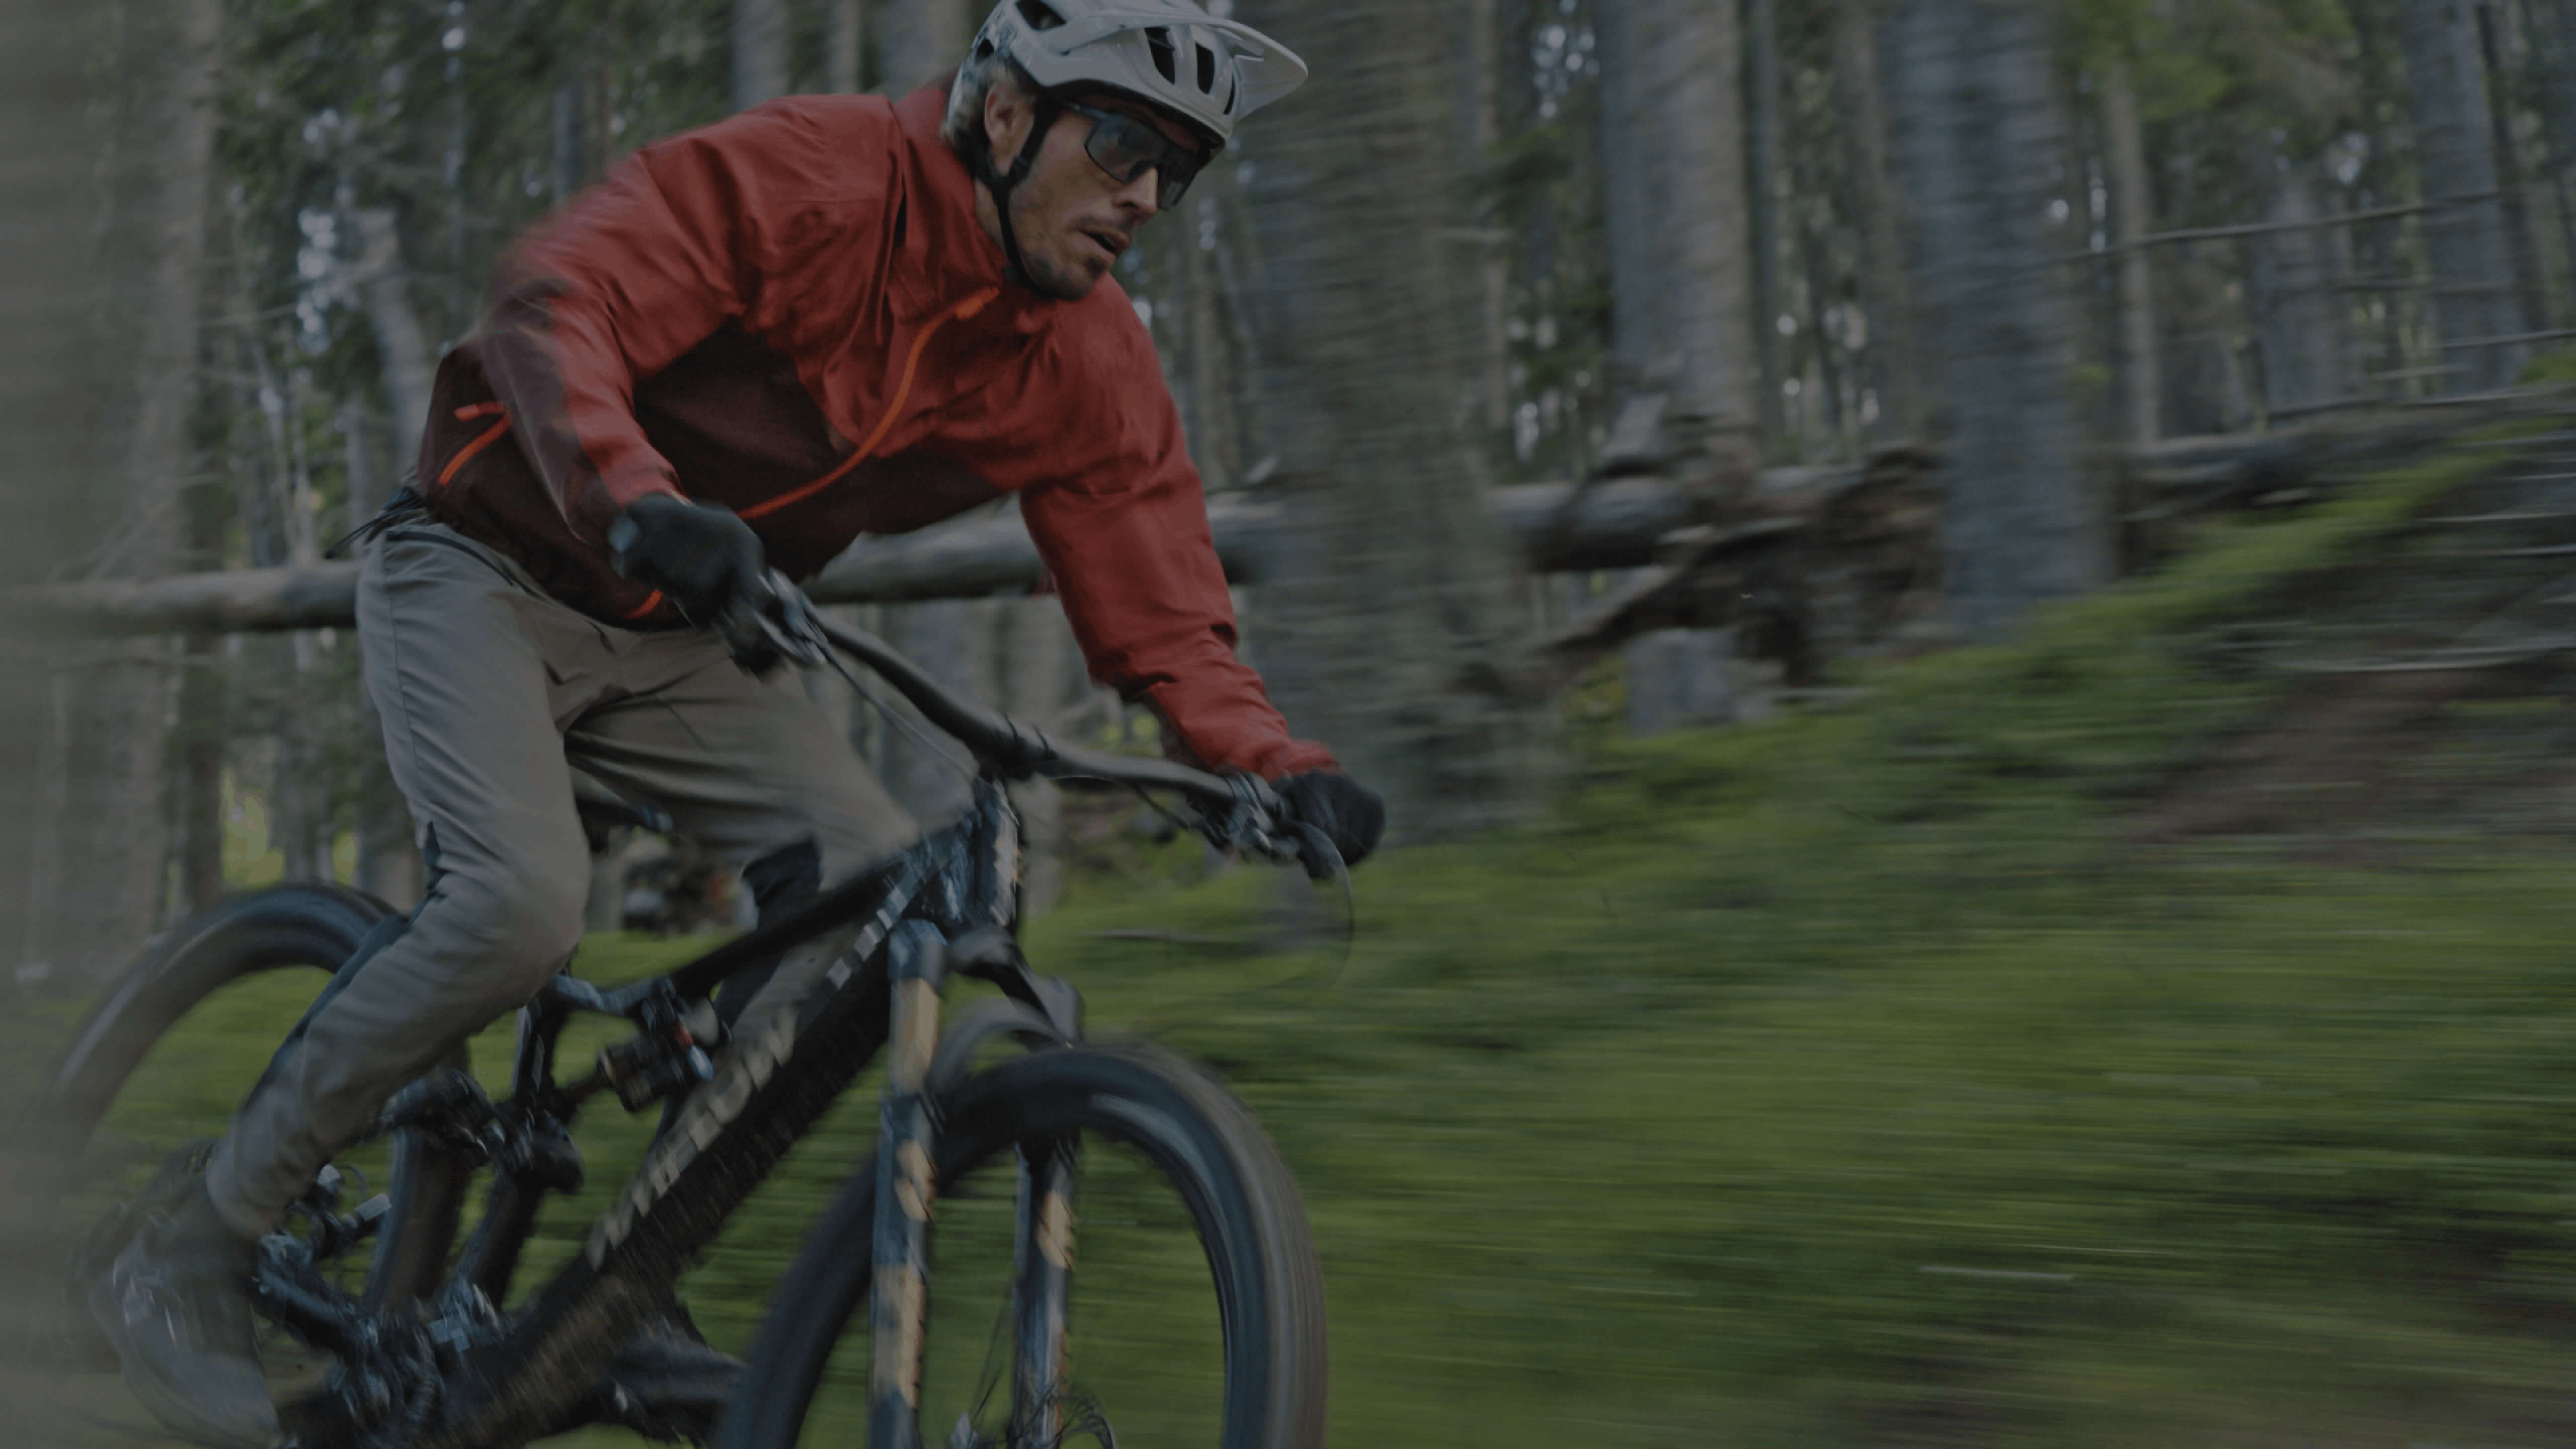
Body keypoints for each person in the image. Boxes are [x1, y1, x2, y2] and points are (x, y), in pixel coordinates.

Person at [89, 3, 1383, 1443]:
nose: (1145, 194)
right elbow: (559, 297)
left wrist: (1274, 764)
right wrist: (636, 498)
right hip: (484, 560)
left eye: (1178, 170)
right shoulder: (820, 176)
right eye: (1126, 142)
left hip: (684, 639)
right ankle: (195, 1244)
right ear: (1009, 115)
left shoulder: (1085, 354)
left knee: (870, 899)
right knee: (519, 909)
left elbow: (1160, 587)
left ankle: (619, 1287)